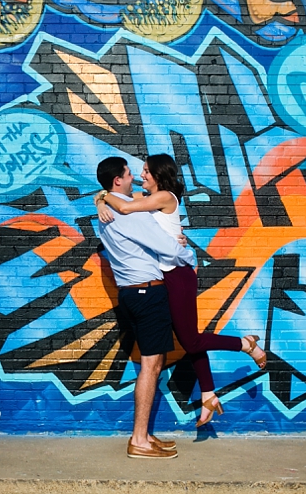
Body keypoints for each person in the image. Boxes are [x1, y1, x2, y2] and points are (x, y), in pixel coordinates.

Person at [96, 154, 267, 427]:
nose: (141, 176)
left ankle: (245, 344)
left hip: (177, 275)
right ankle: (209, 393)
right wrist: (102, 198)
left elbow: (125, 208)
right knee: (191, 337)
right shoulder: (147, 200)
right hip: (167, 276)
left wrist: (102, 196)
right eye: (137, 172)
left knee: (190, 341)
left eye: (146, 172)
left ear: (158, 175)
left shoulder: (164, 196)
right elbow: (133, 212)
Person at [96, 156, 196, 460]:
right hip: (149, 294)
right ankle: (139, 439)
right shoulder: (131, 215)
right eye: (129, 174)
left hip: (131, 294)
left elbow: (121, 203)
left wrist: (100, 197)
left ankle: (145, 435)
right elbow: (168, 249)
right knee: (151, 367)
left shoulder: (103, 215)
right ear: (118, 181)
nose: (136, 178)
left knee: (149, 366)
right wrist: (188, 253)